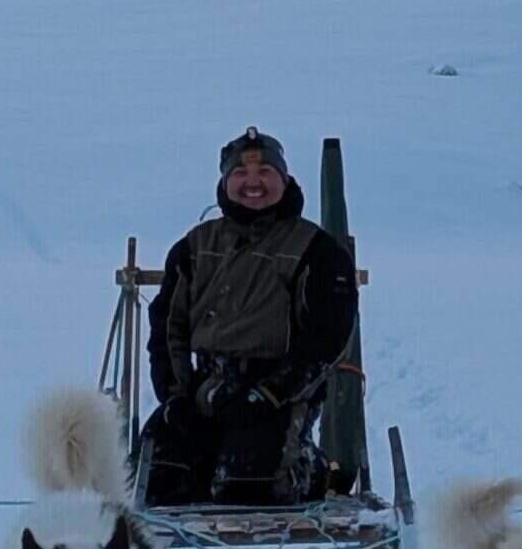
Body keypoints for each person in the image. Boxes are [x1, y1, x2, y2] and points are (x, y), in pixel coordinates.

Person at [142, 127, 359, 506]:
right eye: (240, 174)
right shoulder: (195, 245)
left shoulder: (317, 249)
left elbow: (328, 335)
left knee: (246, 488)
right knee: (158, 480)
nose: (253, 183)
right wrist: (175, 395)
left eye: (265, 174)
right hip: (206, 390)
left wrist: (274, 392)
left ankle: (312, 469)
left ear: (284, 179)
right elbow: (167, 328)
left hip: (278, 394)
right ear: (225, 182)